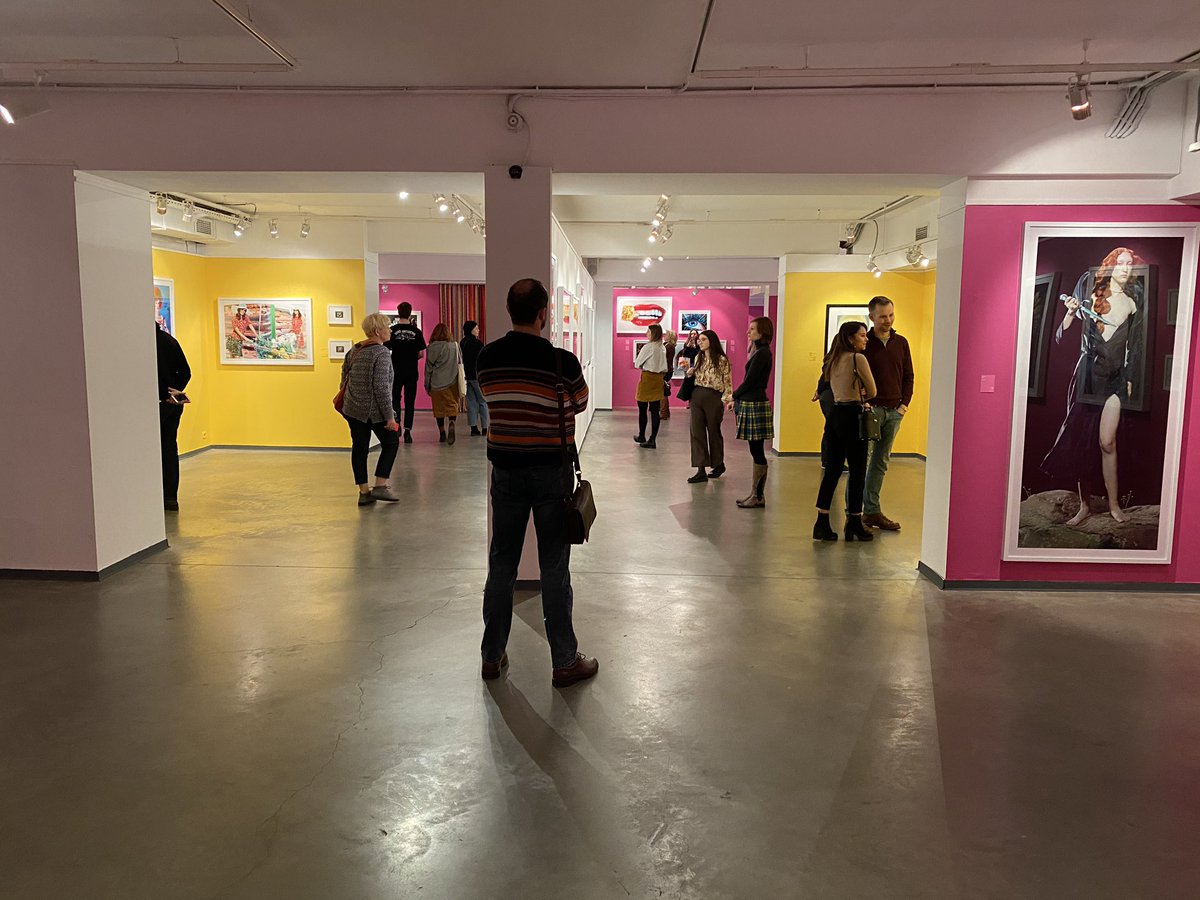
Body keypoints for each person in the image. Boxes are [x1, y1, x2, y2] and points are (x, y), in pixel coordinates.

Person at [476, 278, 598, 688]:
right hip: (550, 474)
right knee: (554, 567)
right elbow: (580, 403)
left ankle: (491, 655)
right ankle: (564, 661)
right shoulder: (561, 362)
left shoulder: (488, 358)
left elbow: (491, 398)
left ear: (509, 310)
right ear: (544, 314)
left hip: (506, 472)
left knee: (502, 563)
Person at [1042, 247, 1144, 525]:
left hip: (1115, 379)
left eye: (1129, 264)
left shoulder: (1133, 303)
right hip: (1087, 377)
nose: (1125, 268)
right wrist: (1070, 313)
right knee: (1083, 442)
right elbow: (1061, 336)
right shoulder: (1091, 295)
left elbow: (1134, 348)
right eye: (1120, 263)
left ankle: (1114, 505)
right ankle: (1084, 506)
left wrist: (1130, 380)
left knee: (1107, 442)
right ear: (1110, 266)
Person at [814, 321, 876, 542]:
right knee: (858, 471)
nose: (866, 339)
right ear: (851, 338)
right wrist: (862, 393)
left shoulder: (832, 360)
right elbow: (873, 391)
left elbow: (828, 386)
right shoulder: (858, 359)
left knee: (832, 470)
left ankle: (821, 521)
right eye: (862, 335)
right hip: (852, 415)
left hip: (835, 415)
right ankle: (854, 522)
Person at [861, 295, 914, 531]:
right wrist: (864, 403)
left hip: (894, 412)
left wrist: (904, 406)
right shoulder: (864, 343)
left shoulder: (901, 342)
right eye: (883, 316)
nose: (888, 320)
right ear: (872, 317)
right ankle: (854, 514)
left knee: (880, 464)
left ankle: (872, 511)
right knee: (861, 463)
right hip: (870, 411)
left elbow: (908, 376)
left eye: (891, 315)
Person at [338, 313, 401, 506]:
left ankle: (364, 492)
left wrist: (351, 400)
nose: (390, 330)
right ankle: (380, 485)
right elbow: (381, 388)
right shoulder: (381, 353)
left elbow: (343, 377)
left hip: (353, 409)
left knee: (360, 448)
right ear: (377, 331)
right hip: (374, 411)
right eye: (387, 327)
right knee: (391, 442)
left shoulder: (355, 349)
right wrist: (390, 417)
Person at [733, 316, 774, 509]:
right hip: (752, 401)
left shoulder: (763, 353)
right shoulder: (758, 351)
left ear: (762, 332)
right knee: (755, 450)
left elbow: (750, 381)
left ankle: (758, 495)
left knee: (757, 451)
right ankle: (755, 493)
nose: (748, 332)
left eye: (752, 329)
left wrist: (734, 395)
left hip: (755, 403)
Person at [684, 329, 733, 483]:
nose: (700, 342)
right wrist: (690, 373)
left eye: (704, 339)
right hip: (697, 395)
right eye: (699, 339)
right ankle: (700, 470)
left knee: (714, 431)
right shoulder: (698, 357)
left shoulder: (722, 360)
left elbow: (727, 381)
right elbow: (697, 376)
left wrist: (728, 399)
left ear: (712, 341)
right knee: (696, 432)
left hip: (714, 397)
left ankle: (718, 463)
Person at [156, 324, 191, 511]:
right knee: (169, 449)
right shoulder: (169, 340)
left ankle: (155, 497)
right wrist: (175, 392)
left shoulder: (144, 343)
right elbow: (186, 372)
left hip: (157, 405)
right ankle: (170, 498)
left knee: (152, 451)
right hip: (172, 405)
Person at [384, 302, 426, 444]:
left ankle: (397, 426)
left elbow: (386, 350)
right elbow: (421, 354)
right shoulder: (417, 332)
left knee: (395, 399)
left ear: (398, 312)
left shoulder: (392, 330)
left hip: (395, 370)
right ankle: (408, 431)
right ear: (410, 313)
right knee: (409, 401)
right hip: (411, 371)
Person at [424, 322, 462, 445]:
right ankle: (452, 422)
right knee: (452, 406)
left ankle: (442, 433)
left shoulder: (430, 348)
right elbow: (459, 362)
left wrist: (427, 384)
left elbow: (428, 368)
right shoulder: (454, 346)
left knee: (438, 409)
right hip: (452, 381)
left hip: (436, 382)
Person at [633, 324, 668, 449]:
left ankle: (642, 435)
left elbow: (637, 363)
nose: (646, 333)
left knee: (642, 409)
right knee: (655, 410)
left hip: (648, 378)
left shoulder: (649, 347)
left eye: (648, 331)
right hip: (659, 379)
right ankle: (652, 439)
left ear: (653, 333)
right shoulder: (662, 347)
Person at [460, 320, 489, 436]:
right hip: (477, 376)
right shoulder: (477, 343)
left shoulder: (463, 342)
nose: (478, 330)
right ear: (471, 330)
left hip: (467, 376)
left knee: (471, 402)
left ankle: (473, 428)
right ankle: (485, 428)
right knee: (483, 401)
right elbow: (482, 359)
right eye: (476, 328)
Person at [661, 328, 678, 420]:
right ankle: (665, 412)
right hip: (667, 370)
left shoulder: (669, 346)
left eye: (666, 334)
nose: (664, 336)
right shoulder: (667, 345)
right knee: (663, 391)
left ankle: (664, 413)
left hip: (666, 371)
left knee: (662, 391)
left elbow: (666, 360)